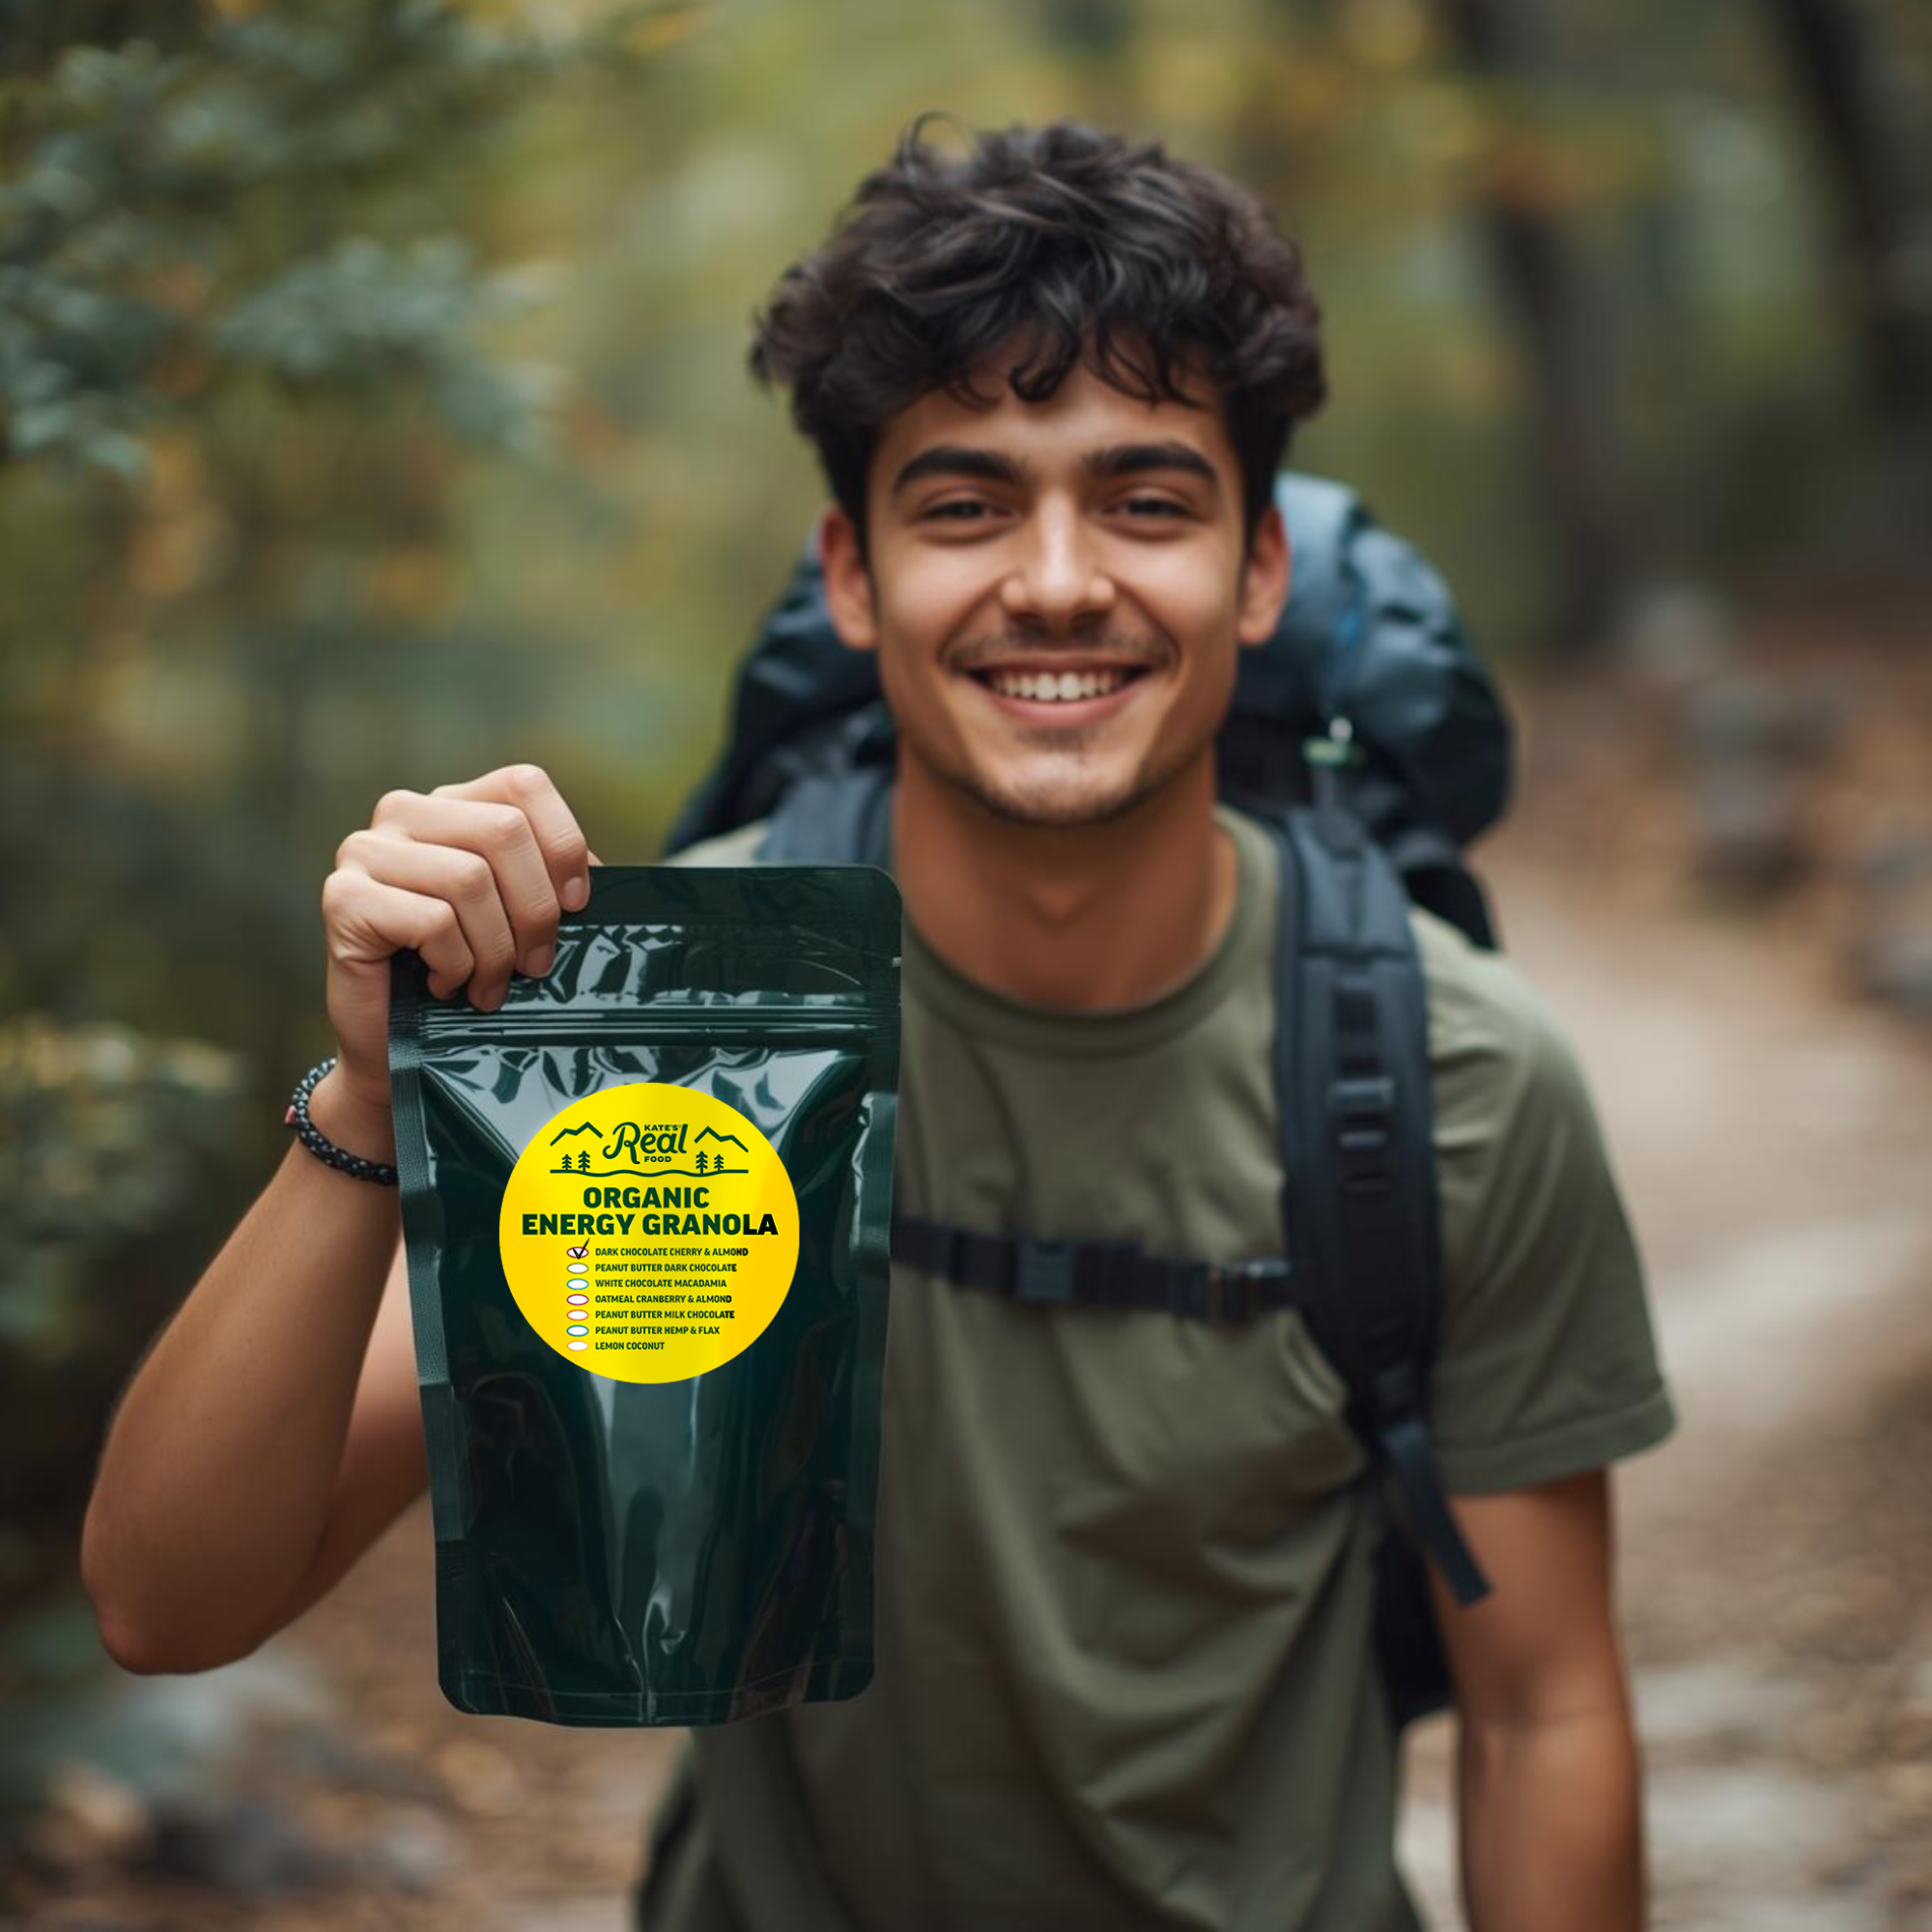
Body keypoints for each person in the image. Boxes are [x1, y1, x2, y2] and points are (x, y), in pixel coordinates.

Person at [81, 114, 1676, 1931]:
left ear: (1256, 573)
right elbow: (172, 1607)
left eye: (1147, 499)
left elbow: (1544, 1709)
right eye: (967, 501)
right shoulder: (656, 1023)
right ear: (851, 578)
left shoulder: (1449, 1075)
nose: (1059, 579)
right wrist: (379, 1087)